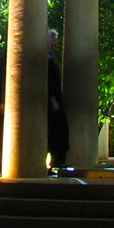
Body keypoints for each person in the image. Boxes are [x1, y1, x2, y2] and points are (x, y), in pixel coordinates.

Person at [46, 29, 70, 172]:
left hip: (54, 100)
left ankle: (58, 161)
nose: (55, 43)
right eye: (53, 40)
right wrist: (52, 99)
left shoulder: (50, 59)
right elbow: (49, 82)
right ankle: (56, 161)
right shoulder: (46, 61)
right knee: (55, 131)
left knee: (58, 131)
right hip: (51, 102)